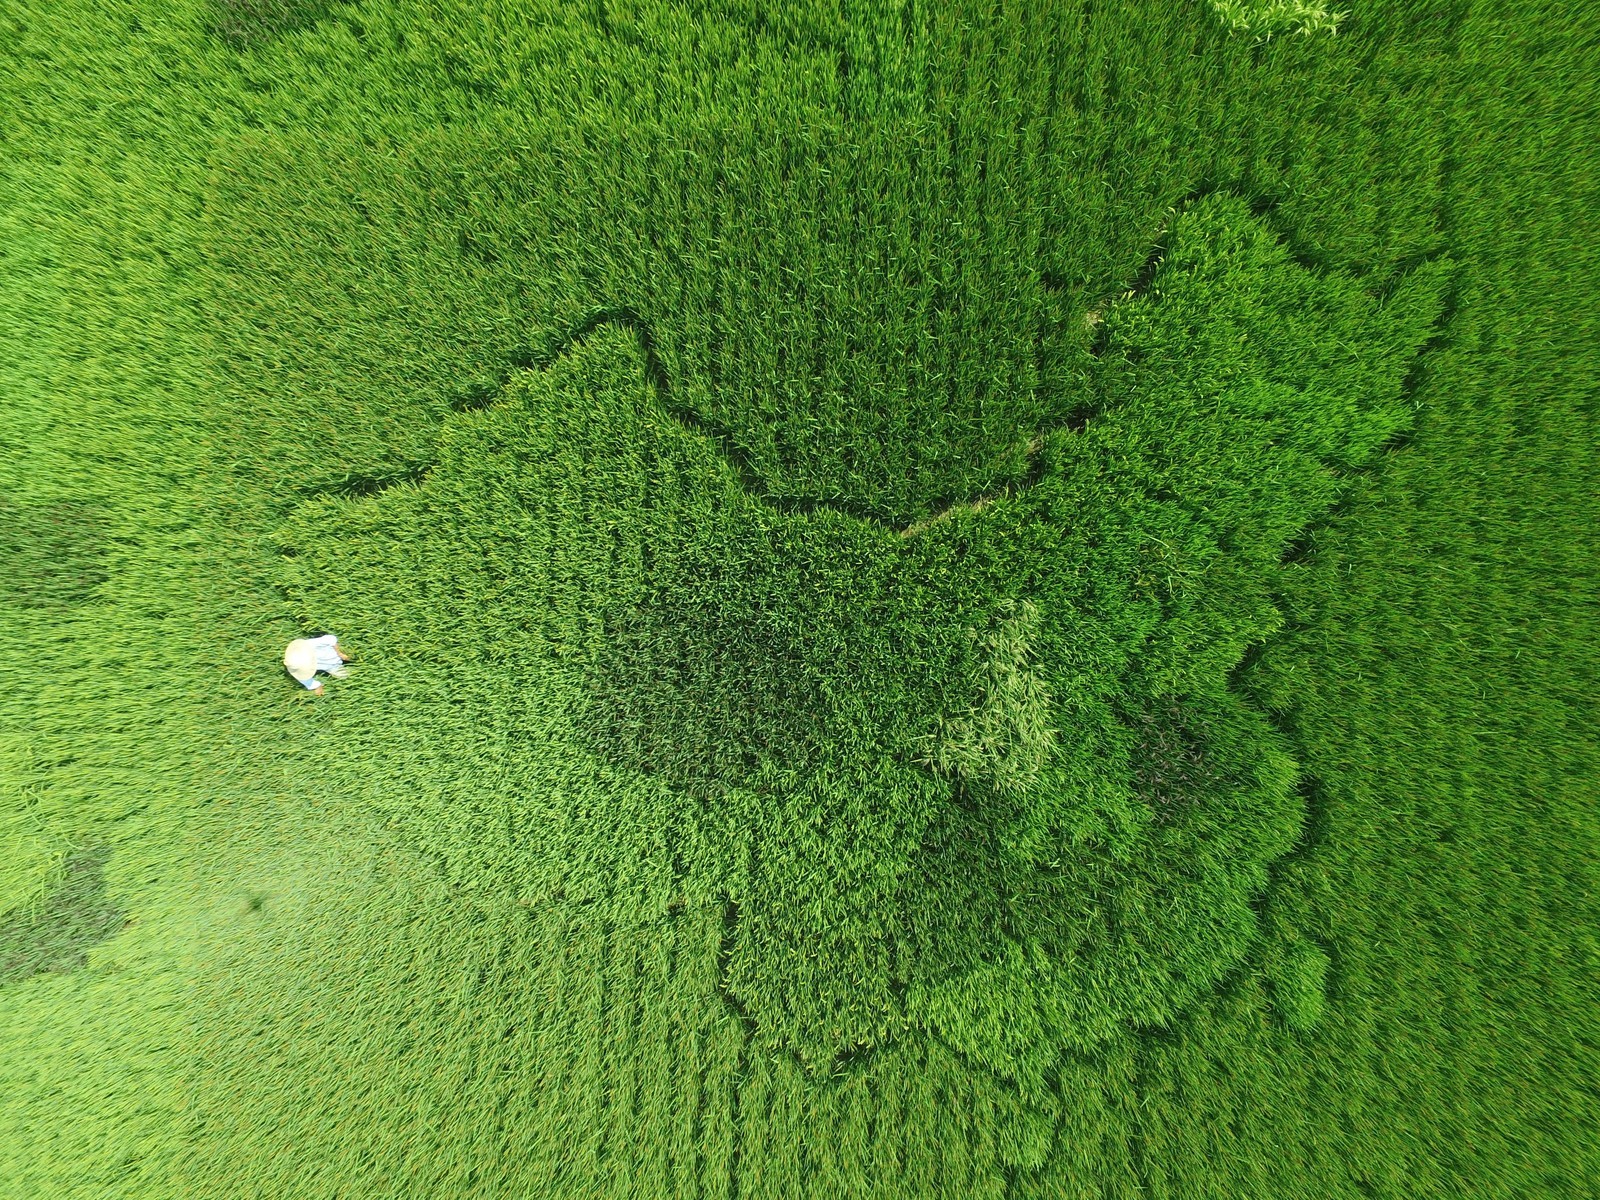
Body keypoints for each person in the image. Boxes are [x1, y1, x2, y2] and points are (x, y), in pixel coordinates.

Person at [283, 634, 352, 695]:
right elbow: (305, 680)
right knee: (345, 676)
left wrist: (340, 653)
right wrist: (317, 686)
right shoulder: (297, 667)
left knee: (353, 653)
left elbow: (331, 639)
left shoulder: (309, 645)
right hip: (331, 666)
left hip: (336, 651)